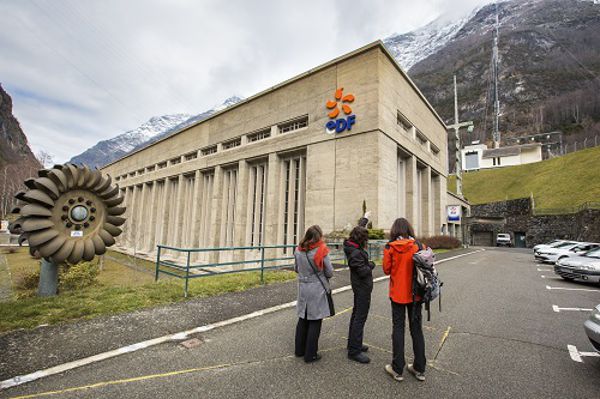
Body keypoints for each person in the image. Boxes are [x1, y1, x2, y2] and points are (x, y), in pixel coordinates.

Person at [382, 217, 426, 382]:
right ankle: (419, 368)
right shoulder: (419, 246)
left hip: (397, 294)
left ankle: (397, 368)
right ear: (409, 229)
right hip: (416, 295)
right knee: (416, 329)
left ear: (394, 230)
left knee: (398, 329)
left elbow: (386, 270)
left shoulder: (390, 247)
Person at [294, 225, 334, 363]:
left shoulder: (298, 250)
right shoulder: (321, 250)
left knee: (303, 318)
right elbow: (329, 272)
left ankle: (299, 350)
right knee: (315, 320)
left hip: (303, 287)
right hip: (317, 288)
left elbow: (296, 268)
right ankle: (310, 354)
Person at [344, 215, 374, 364]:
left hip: (359, 287)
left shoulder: (351, 245)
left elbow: (359, 229)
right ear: (361, 239)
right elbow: (363, 271)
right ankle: (354, 351)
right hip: (362, 287)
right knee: (360, 317)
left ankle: (353, 343)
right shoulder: (356, 253)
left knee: (357, 314)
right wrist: (371, 265)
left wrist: (364, 220)